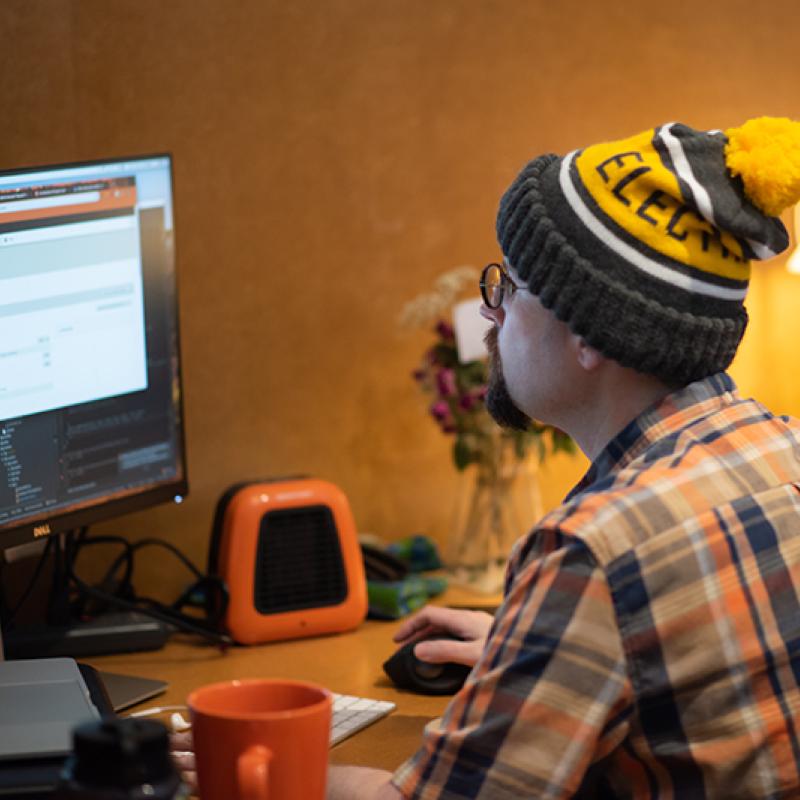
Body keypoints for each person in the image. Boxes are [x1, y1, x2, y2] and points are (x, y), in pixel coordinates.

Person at [174, 117, 800, 797]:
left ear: (592, 334)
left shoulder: (594, 552)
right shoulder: (784, 452)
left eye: (511, 287)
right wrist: (540, 644)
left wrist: (265, 769)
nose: (491, 315)